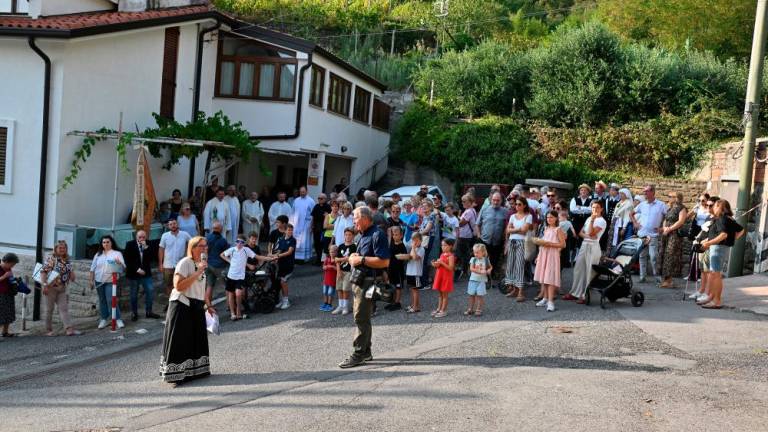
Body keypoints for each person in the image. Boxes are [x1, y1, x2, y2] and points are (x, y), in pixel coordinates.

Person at [338, 207, 391, 369]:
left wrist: (360, 259)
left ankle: (359, 353)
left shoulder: (377, 234)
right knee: (363, 317)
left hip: (367, 282)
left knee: (361, 317)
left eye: (355, 218)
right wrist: (354, 256)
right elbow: (362, 256)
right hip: (360, 280)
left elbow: (384, 262)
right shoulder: (364, 234)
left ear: (366, 218)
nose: (353, 221)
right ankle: (366, 351)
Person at [160, 235, 211, 386]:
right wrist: (197, 272)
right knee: (181, 340)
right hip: (181, 304)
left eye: (205, 246)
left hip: (196, 304)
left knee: (196, 338)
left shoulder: (201, 264)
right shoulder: (185, 263)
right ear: (193, 248)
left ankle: (195, 372)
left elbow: (200, 287)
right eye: (201, 246)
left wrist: (208, 305)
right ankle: (176, 374)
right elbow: (179, 286)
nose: (205, 248)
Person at [697, 199, 744, 309]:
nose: (713, 207)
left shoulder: (721, 218)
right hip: (720, 247)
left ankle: (717, 301)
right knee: (714, 274)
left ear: (719, 207)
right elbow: (741, 230)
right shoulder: (727, 219)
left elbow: (723, 235)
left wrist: (708, 243)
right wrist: (732, 240)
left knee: (716, 275)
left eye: (715, 206)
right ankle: (711, 297)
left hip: (718, 248)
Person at [565, 202, 607, 304]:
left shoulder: (602, 221)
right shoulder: (588, 218)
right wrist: (588, 235)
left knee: (589, 271)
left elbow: (592, 232)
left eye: (597, 207)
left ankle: (585, 295)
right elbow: (581, 233)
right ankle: (575, 292)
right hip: (585, 244)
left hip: (593, 246)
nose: (595, 209)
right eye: (593, 207)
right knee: (578, 269)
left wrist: (592, 221)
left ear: (601, 209)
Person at [40, 241, 81, 336]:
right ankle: (48, 330)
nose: (62, 249)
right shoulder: (51, 259)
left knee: (64, 309)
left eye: (64, 248)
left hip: (62, 288)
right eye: (60, 248)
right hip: (50, 288)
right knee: (49, 309)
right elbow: (43, 272)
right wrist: (44, 285)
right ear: (56, 249)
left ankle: (69, 329)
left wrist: (72, 275)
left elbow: (71, 273)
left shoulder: (67, 260)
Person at [632, 185, 668, 283]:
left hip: (653, 235)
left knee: (653, 256)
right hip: (642, 234)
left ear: (653, 192)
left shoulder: (661, 205)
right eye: (644, 191)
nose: (645, 193)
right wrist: (635, 223)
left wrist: (662, 228)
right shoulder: (642, 204)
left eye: (646, 191)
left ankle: (656, 276)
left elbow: (668, 217)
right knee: (642, 256)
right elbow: (631, 213)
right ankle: (642, 277)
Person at [89, 236, 126, 329]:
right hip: (99, 281)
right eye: (104, 242)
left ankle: (117, 319)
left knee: (111, 299)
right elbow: (92, 268)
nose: (105, 244)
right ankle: (104, 319)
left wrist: (119, 263)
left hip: (110, 281)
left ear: (111, 243)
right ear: (101, 244)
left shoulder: (117, 253)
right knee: (102, 300)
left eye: (107, 242)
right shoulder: (98, 254)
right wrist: (91, 280)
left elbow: (123, 266)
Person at [534, 211, 567, 312]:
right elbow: (543, 244)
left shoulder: (558, 229)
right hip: (544, 254)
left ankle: (551, 302)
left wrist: (550, 244)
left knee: (550, 277)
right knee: (544, 277)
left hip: (552, 255)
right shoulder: (546, 229)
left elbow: (563, 244)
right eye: (548, 217)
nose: (549, 219)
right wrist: (538, 256)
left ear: (556, 218)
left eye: (551, 217)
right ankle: (545, 298)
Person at [125, 230, 161, 321]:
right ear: (136, 237)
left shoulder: (148, 244)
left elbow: (153, 258)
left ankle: (149, 312)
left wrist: (146, 248)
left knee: (150, 291)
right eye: (140, 237)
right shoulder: (130, 244)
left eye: (143, 237)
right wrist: (137, 269)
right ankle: (134, 313)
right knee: (134, 294)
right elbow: (127, 260)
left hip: (146, 273)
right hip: (134, 273)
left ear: (146, 237)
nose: (141, 239)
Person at [221, 235, 256, 320]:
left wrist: (268, 258)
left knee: (239, 294)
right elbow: (222, 254)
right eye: (238, 241)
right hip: (231, 276)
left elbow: (257, 256)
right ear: (235, 242)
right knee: (231, 294)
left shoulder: (246, 250)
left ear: (244, 243)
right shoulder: (232, 249)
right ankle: (233, 314)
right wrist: (229, 261)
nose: (239, 243)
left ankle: (238, 312)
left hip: (240, 276)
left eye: (242, 242)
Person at [158, 219, 192, 309]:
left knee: (181, 284)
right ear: (168, 226)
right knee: (169, 284)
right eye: (170, 224)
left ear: (177, 224)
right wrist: (160, 264)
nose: (173, 225)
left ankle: (182, 302)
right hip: (168, 265)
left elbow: (192, 243)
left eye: (174, 223)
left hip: (180, 264)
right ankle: (171, 302)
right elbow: (161, 249)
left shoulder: (184, 234)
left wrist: (188, 255)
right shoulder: (165, 236)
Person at [504, 198, 532, 302]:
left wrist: (513, 229)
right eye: (516, 204)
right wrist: (518, 229)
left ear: (524, 205)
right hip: (512, 241)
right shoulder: (512, 216)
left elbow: (524, 230)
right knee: (510, 265)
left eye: (519, 204)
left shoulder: (528, 216)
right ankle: (514, 289)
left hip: (521, 242)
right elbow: (508, 230)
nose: (517, 206)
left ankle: (521, 291)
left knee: (519, 266)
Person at [659, 192, 688, 288]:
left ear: (676, 198)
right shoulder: (670, 208)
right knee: (664, 254)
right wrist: (664, 228)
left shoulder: (681, 208)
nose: (669, 198)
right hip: (666, 234)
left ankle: (669, 280)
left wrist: (670, 229)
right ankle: (665, 279)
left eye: (670, 196)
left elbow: (681, 221)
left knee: (670, 255)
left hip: (674, 235)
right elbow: (665, 219)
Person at [477, 192, 508, 285]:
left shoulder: (505, 212)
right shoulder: (485, 209)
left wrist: (505, 238)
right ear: (491, 200)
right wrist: (478, 235)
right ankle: (483, 278)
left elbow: (507, 226)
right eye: (494, 200)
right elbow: (477, 224)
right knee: (483, 259)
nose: (495, 202)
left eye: (498, 200)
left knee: (494, 260)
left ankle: (490, 277)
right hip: (484, 240)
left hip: (497, 241)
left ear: (501, 201)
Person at [204, 221, 230, 311]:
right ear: (220, 229)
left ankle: (208, 306)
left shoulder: (207, 238)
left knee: (209, 285)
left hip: (208, 265)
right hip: (219, 266)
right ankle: (229, 306)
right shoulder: (222, 240)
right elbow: (227, 253)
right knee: (227, 286)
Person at [686, 193, 711, 282]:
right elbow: (687, 217)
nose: (701, 202)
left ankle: (700, 275)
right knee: (693, 252)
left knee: (701, 253)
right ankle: (691, 274)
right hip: (696, 230)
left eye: (703, 200)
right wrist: (693, 209)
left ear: (707, 200)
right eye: (699, 200)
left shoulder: (710, 209)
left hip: (704, 232)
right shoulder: (697, 208)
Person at [333, 228, 357, 315]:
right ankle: (340, 306)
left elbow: (351, 258)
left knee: (345, 289)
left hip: (349, 271)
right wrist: (338, 271)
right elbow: (336, 260)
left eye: (350, 235)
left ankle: (346, 307)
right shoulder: (341, 246)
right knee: (339, 288)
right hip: (340, 271)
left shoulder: (354, 246)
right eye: (346, 235)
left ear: (353, 236)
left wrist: (341, 259)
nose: (348, 236)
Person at [273, 223, 297, 310]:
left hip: (289, 265)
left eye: (291, 230)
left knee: (284, 281)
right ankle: (283, 300)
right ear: (285, 230)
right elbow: (279, 250)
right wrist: (274, 256)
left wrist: (279, 256)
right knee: (280, 282)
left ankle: (286, 301)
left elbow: (289, 252)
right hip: (281, 265)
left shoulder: (293, 240)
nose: (290, 232)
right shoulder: (281, 239)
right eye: (289, 230)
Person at [431, 238, 456, 318]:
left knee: (445, 295)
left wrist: (441, 262)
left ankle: (444, 310)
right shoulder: (442, 255)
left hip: (446, 277)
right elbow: (439, 266)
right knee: (440, 294)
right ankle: (439, 308)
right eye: (442, 245)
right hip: (440, 276)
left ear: (450, 246)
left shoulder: (451, 256)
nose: (443, 247)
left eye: (445, 245)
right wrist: (435, 264)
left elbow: (451, 268)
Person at [385, 226, 407, 311]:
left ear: (401, 235)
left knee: (398, 287)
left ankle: (398, 303)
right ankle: (392, 302)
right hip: (391, 268)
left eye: (397, 235)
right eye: (393, 235)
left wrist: (401, 257)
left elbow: (405, 257)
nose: (395, 236)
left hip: (398, 269)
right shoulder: (392, 243)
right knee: (392, 286)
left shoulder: (402, 245)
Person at [417, 199, 438, 288]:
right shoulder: (425, 216)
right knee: (422, 260)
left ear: (430, 207)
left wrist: (417, 234)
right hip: (424, 238)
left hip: (427, 239)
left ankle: (424, 283)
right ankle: (423, 281)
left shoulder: (431, 216)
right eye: (422, 206)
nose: (424, 208)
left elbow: (427, 230)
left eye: (426, 206)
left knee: (424, 260)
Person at [290, 186, 315, 262]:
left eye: (303, 192)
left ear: (307, 192)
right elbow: (293, 212)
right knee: (296, 240)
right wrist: (291, 223)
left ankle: (304, 258)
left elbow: (313, 214)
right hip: (296, 224)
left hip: (306, 224)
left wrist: (311, 225)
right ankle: (296, 257)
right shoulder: (296, 200)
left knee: (305, 241)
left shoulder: (311, 201)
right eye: (301, 192)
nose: (302, 193)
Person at [466, 243, 491, 316]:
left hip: (481, 281)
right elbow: (471, 269)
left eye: (477, 252)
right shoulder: (473, 259)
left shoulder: (486, 260)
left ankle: (478, 309)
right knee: (471, 295)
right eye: (474, 252)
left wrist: (489, 270)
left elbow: (490, 267)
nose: (475, 254)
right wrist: (480, 271)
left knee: (480, 296)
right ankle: (470, 309)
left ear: (483, 252)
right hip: (473, 280)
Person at [456, 194, 478, 280]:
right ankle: (465, 270)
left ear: (470, 202)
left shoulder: (468, 211)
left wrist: (455, 218)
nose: (462, 203)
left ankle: (464, 271)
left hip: (464, 235)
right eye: (462, 201)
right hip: (467, 235)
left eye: (464, 201)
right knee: (465, 253)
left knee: (463, 254)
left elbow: (461, 223)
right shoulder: (471, 210)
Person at [405, 232, 426, 313]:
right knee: (412, 289)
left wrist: (413, 248)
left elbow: (415, 258)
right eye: (413, 241)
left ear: (421, 241)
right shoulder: (413, 249)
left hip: (416, 272)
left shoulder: (421, 249)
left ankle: (416, 307)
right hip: (410, 272)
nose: (414, 243)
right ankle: (412, 305)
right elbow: (410, 258)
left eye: (416, 241)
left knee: (415, 290)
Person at [0, 253, 20, 337]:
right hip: (1, 294)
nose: (12, 266)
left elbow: (10, 280)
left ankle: (5, 332)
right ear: (7, 261)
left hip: (8, 293)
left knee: (8, 313)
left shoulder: (8, 270)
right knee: (1, 313)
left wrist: (16, 280)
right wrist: (4, 276)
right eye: (12, 264)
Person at [311, 193, 332, 265]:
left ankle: (324, 260)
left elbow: (331, 217)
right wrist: (311, 226)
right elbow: (313, 217)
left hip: (324, 229)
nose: (319, 200)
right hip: (316, 227)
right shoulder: (316, 206)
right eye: (318, 198)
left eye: (321, 198)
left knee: (323, 245)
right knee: (316, 244)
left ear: (325, 199)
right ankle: (318, 259)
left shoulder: (328, 207)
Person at [320, 245, 338, 311]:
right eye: (331, 252)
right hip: (326, 280)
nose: (332, 253)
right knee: (325, 292)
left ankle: (329, 304)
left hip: (332, 281)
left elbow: (338, 269)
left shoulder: (337, 260)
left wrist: (332, 267)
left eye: (333, 252)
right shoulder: (327, 259)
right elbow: (323, 267)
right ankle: (325, 303)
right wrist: (327, 266)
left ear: (336, 253)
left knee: (330, 293)